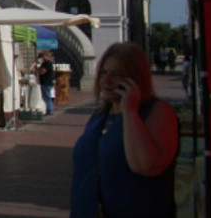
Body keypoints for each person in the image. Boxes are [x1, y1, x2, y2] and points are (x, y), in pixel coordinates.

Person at [70, 42, 179, 218]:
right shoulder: (100, 116)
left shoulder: (157, 112)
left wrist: (129, 111)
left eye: (117, 74)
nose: (106, 80)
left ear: (135, 78)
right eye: (104, 72)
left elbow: (146, 166)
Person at [35, 50, 55, 115]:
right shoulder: (44, 63)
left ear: (46, 56)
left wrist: (37, 69)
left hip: (47, 82)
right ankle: (48, 109)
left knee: (47, 97)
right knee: (45, 97)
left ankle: (50, 110)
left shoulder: (48, 63)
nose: (42, 58)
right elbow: (40, 70)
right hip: (44, 82)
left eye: (43, 56)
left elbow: (42, 72)